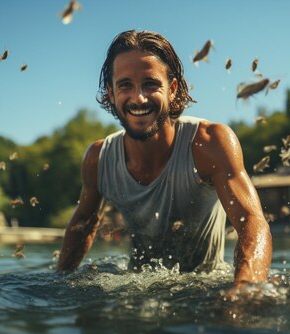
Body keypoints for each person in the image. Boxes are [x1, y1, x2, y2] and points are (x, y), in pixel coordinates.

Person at [57, 30, 272, 288]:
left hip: (202, 288)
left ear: (172, 90)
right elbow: (83, 224)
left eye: (150, 84)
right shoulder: (98, 159)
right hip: (135, 290)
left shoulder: (209, 144)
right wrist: (59, 285)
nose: (138, 98)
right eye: (125, 85)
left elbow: (252, 222)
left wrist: (246, 288)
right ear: (111, 94)